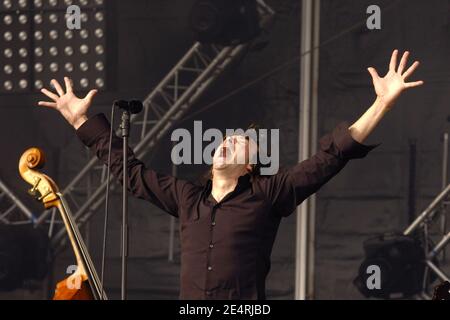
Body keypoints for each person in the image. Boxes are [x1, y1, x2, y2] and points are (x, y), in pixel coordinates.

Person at [38, 50, 424, 299]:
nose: (227, 143)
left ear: (251, 164)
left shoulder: (269, 194)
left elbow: (330, 157)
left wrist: (381, 104)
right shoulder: (188, 198)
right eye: (224, 140)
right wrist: (82, 122)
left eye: (239, 143)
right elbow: (131, 171)